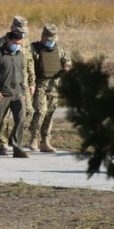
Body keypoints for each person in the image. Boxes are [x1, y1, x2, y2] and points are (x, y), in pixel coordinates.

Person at [0, 29, 33, 157]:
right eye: (15, 43)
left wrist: (23, 90)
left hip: (17, 93)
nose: (17, 45)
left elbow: (22, 73)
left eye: (19, 43)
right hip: (2, 93)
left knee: (22, 118)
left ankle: (17, 147)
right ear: (8, 40)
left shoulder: (20, 55)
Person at [28, 24, 71, 153]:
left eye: (53, 39)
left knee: (50, 114)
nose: (51, 42)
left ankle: (45, 141)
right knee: (41, 111)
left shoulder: (58, 49)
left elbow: (67, 61)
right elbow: (28, 65)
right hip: (40, 85)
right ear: (43, 37)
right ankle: (33, 138)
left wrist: (67, 67)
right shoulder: (34, 49)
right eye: (49, 39)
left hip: (54, 86)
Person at [0, 16, 35, 144]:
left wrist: (32, 82)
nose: (22, 33)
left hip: (21, 84)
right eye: (19, 30)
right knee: (3, 117)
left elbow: (30, 62)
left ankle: (14, 137)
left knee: (28, 112)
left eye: (23, 31)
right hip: (4, 84)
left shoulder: (26, 43)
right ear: (12, 28)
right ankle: (3, 143)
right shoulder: (0, 43)